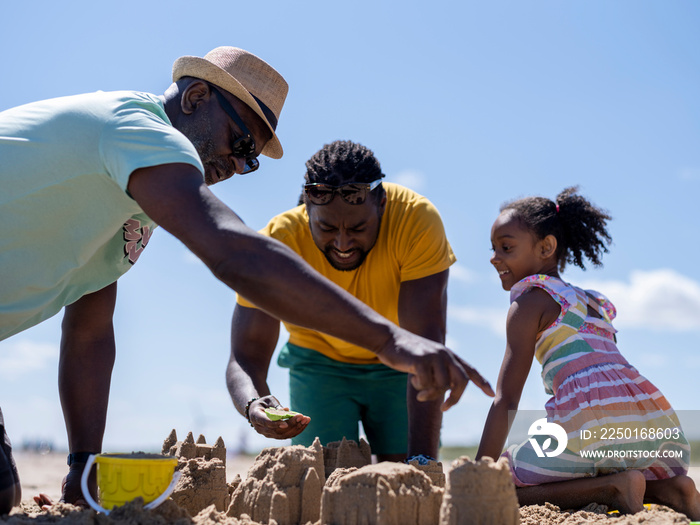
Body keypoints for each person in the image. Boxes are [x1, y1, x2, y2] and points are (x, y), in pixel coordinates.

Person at [0, 47, 487, 512]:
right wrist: (389, 338)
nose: (237, 166)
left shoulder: (133, 203)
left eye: (249, 160)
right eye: (240, 144)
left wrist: (83, 469)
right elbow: (234, 253)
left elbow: (89, 328)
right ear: (195, 98)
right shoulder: (135, 129)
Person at [227, 140, 492, 461]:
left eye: (358, 227)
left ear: (381, 204)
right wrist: (253, 403)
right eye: (325, 227)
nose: (342, 242)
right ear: (305, 211)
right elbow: (246, 356)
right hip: (318, 363)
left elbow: (423, 349)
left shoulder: (415, 220)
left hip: (398, 364)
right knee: (325, 477)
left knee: (406, 475)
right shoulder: (278, 241)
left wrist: (422, 464)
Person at [475, 187, 700, 519]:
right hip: (644, 418)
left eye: (506, 247)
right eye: (493, 248)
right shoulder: (592, 302)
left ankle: (614, 488)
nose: (495, 257)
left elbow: (506, 399)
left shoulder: (528, 301)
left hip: (589, 423)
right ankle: (669, 489)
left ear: (546, 247)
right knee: (591, 460)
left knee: (501, 482)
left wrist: (478, 475)